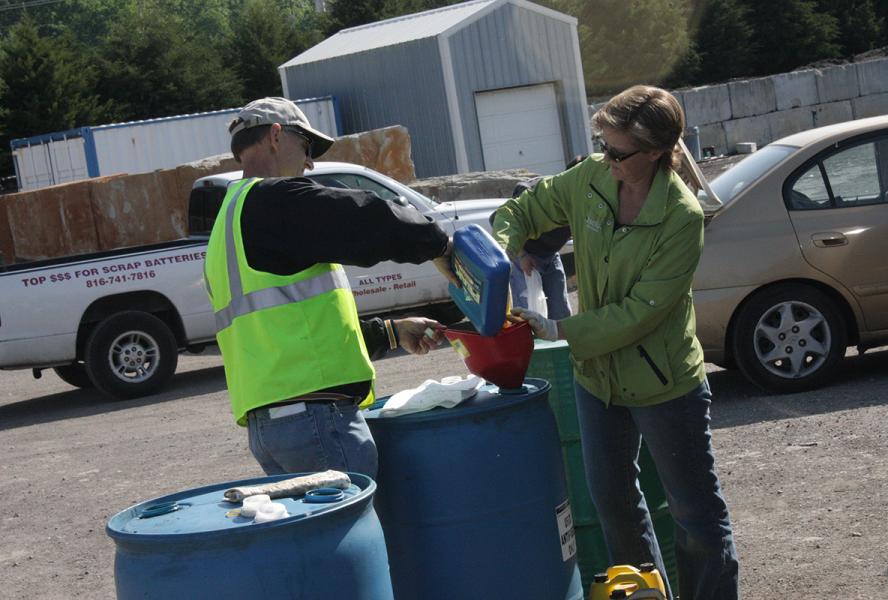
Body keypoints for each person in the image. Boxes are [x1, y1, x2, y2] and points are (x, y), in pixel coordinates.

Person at [491, 86, 739, 600]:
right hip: (596, 379)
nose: (606, 160)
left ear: (654, 152)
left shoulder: (681, 217)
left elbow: (642, 313)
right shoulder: (591, 180)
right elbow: (527, 206)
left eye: (618, 152)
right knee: (614, 506)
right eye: (602, 146)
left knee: (695, 515)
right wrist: (499, 249)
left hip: (664, 383)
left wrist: (560, 330)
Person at [204, 97, 458, 479]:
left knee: (319, 538)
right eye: (306, 147)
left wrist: (389, 331)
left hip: (271, 426)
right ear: (276, 136)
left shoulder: (228, 221)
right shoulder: (272, 203)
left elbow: (290, 332)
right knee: (350, 532)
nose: (309, 163)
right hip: (315, 423)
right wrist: (437, 243)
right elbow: (364, 218)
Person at [493, 157, 585, 319]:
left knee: (560, 313)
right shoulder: (536, 192)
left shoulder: (587, 201)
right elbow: (497, 219)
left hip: (550, 256)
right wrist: (522, 255)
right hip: (522, 256)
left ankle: (563, 343)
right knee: (527, 314)